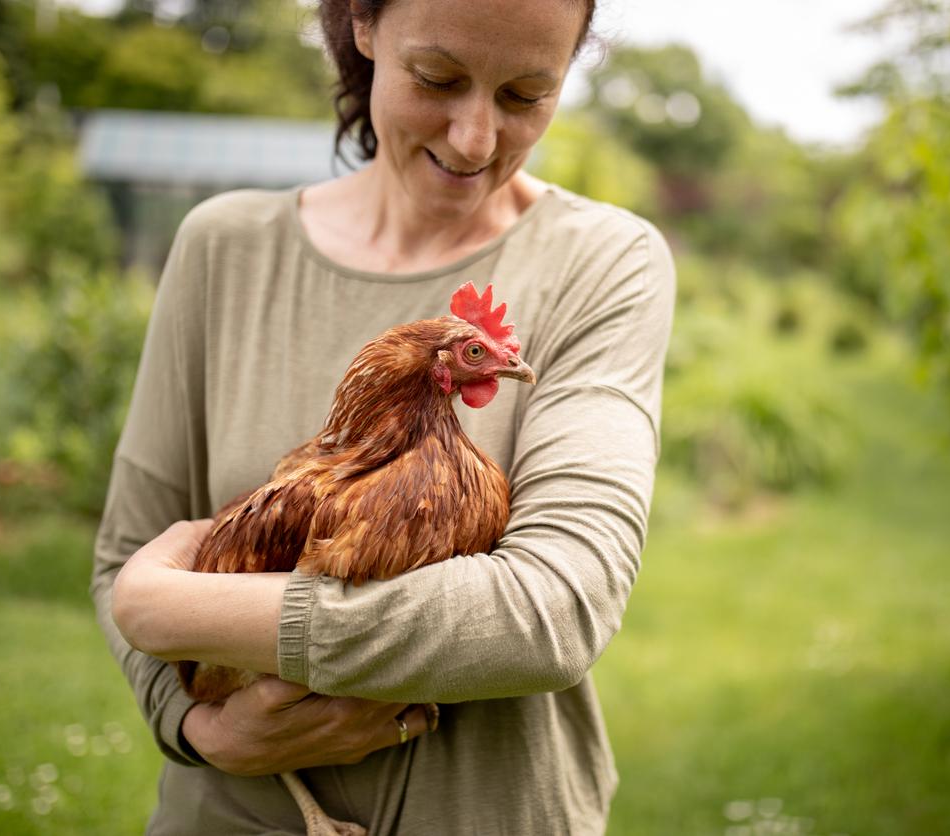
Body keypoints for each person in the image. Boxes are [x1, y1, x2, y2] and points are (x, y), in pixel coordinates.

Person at [95, 0, 675, 832]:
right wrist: (198, 725)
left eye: (525, 96)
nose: (476, 140)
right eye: (437, 78)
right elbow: (128, 546)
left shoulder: (605, 261)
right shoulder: (223, 247)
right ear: (363, 26)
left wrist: (168, 611)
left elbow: (555, 608)